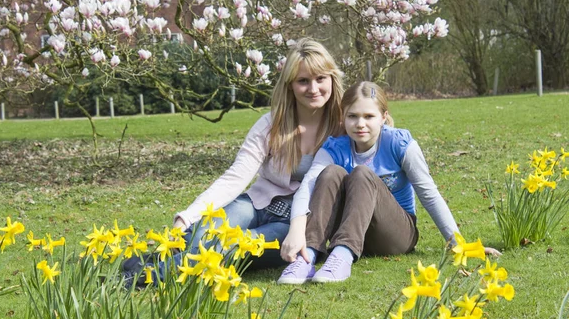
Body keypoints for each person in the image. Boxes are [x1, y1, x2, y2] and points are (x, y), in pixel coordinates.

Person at [277, 81, 500, 284]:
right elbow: (308, 186)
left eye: (369, 116)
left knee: (362, 174)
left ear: (383, 117)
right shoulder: (335, 147)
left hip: (396, 234)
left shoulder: (399, 143)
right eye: (352, 116)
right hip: (353, 229)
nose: (360, 124)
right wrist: (296, 231)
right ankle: (307, 258)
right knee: (330, 172)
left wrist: (458, 244)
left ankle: (342, 257)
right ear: (342, 117)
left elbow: (428, 193)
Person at [170, 38, 345, 269]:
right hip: (255, 204)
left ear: (332, 78)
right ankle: (159, 268)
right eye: (303, 81)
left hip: (294, 223)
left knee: (236, 245)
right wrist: (186, 217)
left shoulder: (344, 127)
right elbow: (236, 177)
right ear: (290, 85)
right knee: (199, 233)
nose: (313, 89)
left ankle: (146, 274)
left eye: (320, 79)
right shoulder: (270, 126)